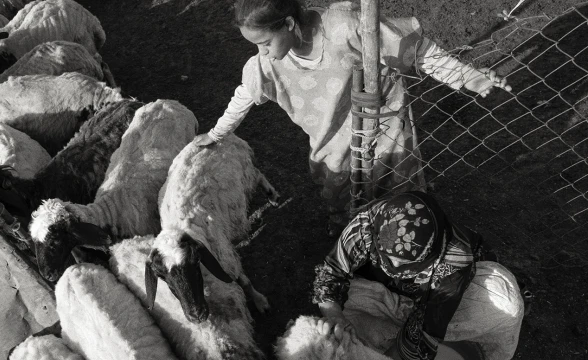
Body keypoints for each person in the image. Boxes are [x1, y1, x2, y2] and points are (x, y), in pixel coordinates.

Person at [193, 0, 511, 234]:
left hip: (381, 119)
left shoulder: (343, 26)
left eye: (264, 43)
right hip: (330, 137)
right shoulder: (266, 65)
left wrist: (469, 78)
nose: (261, 51)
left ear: (289, 24)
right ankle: (350, 236)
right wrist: (216, 134)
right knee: (338, 190)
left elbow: (418, 50)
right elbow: (243, 97)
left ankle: (408, 237)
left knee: (396, 183)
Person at [312, 191, 523, 360]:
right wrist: (334, 316)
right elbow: (333, 271)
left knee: (504, 305)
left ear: (431, 253)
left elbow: (426, 327)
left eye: (405, 264)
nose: (394, 267)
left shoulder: (454, 259)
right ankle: (398, 327)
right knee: (344, 308)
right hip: (387, 289)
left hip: (444, 297)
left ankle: (397, 333)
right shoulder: (370, 222)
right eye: (388, 258)